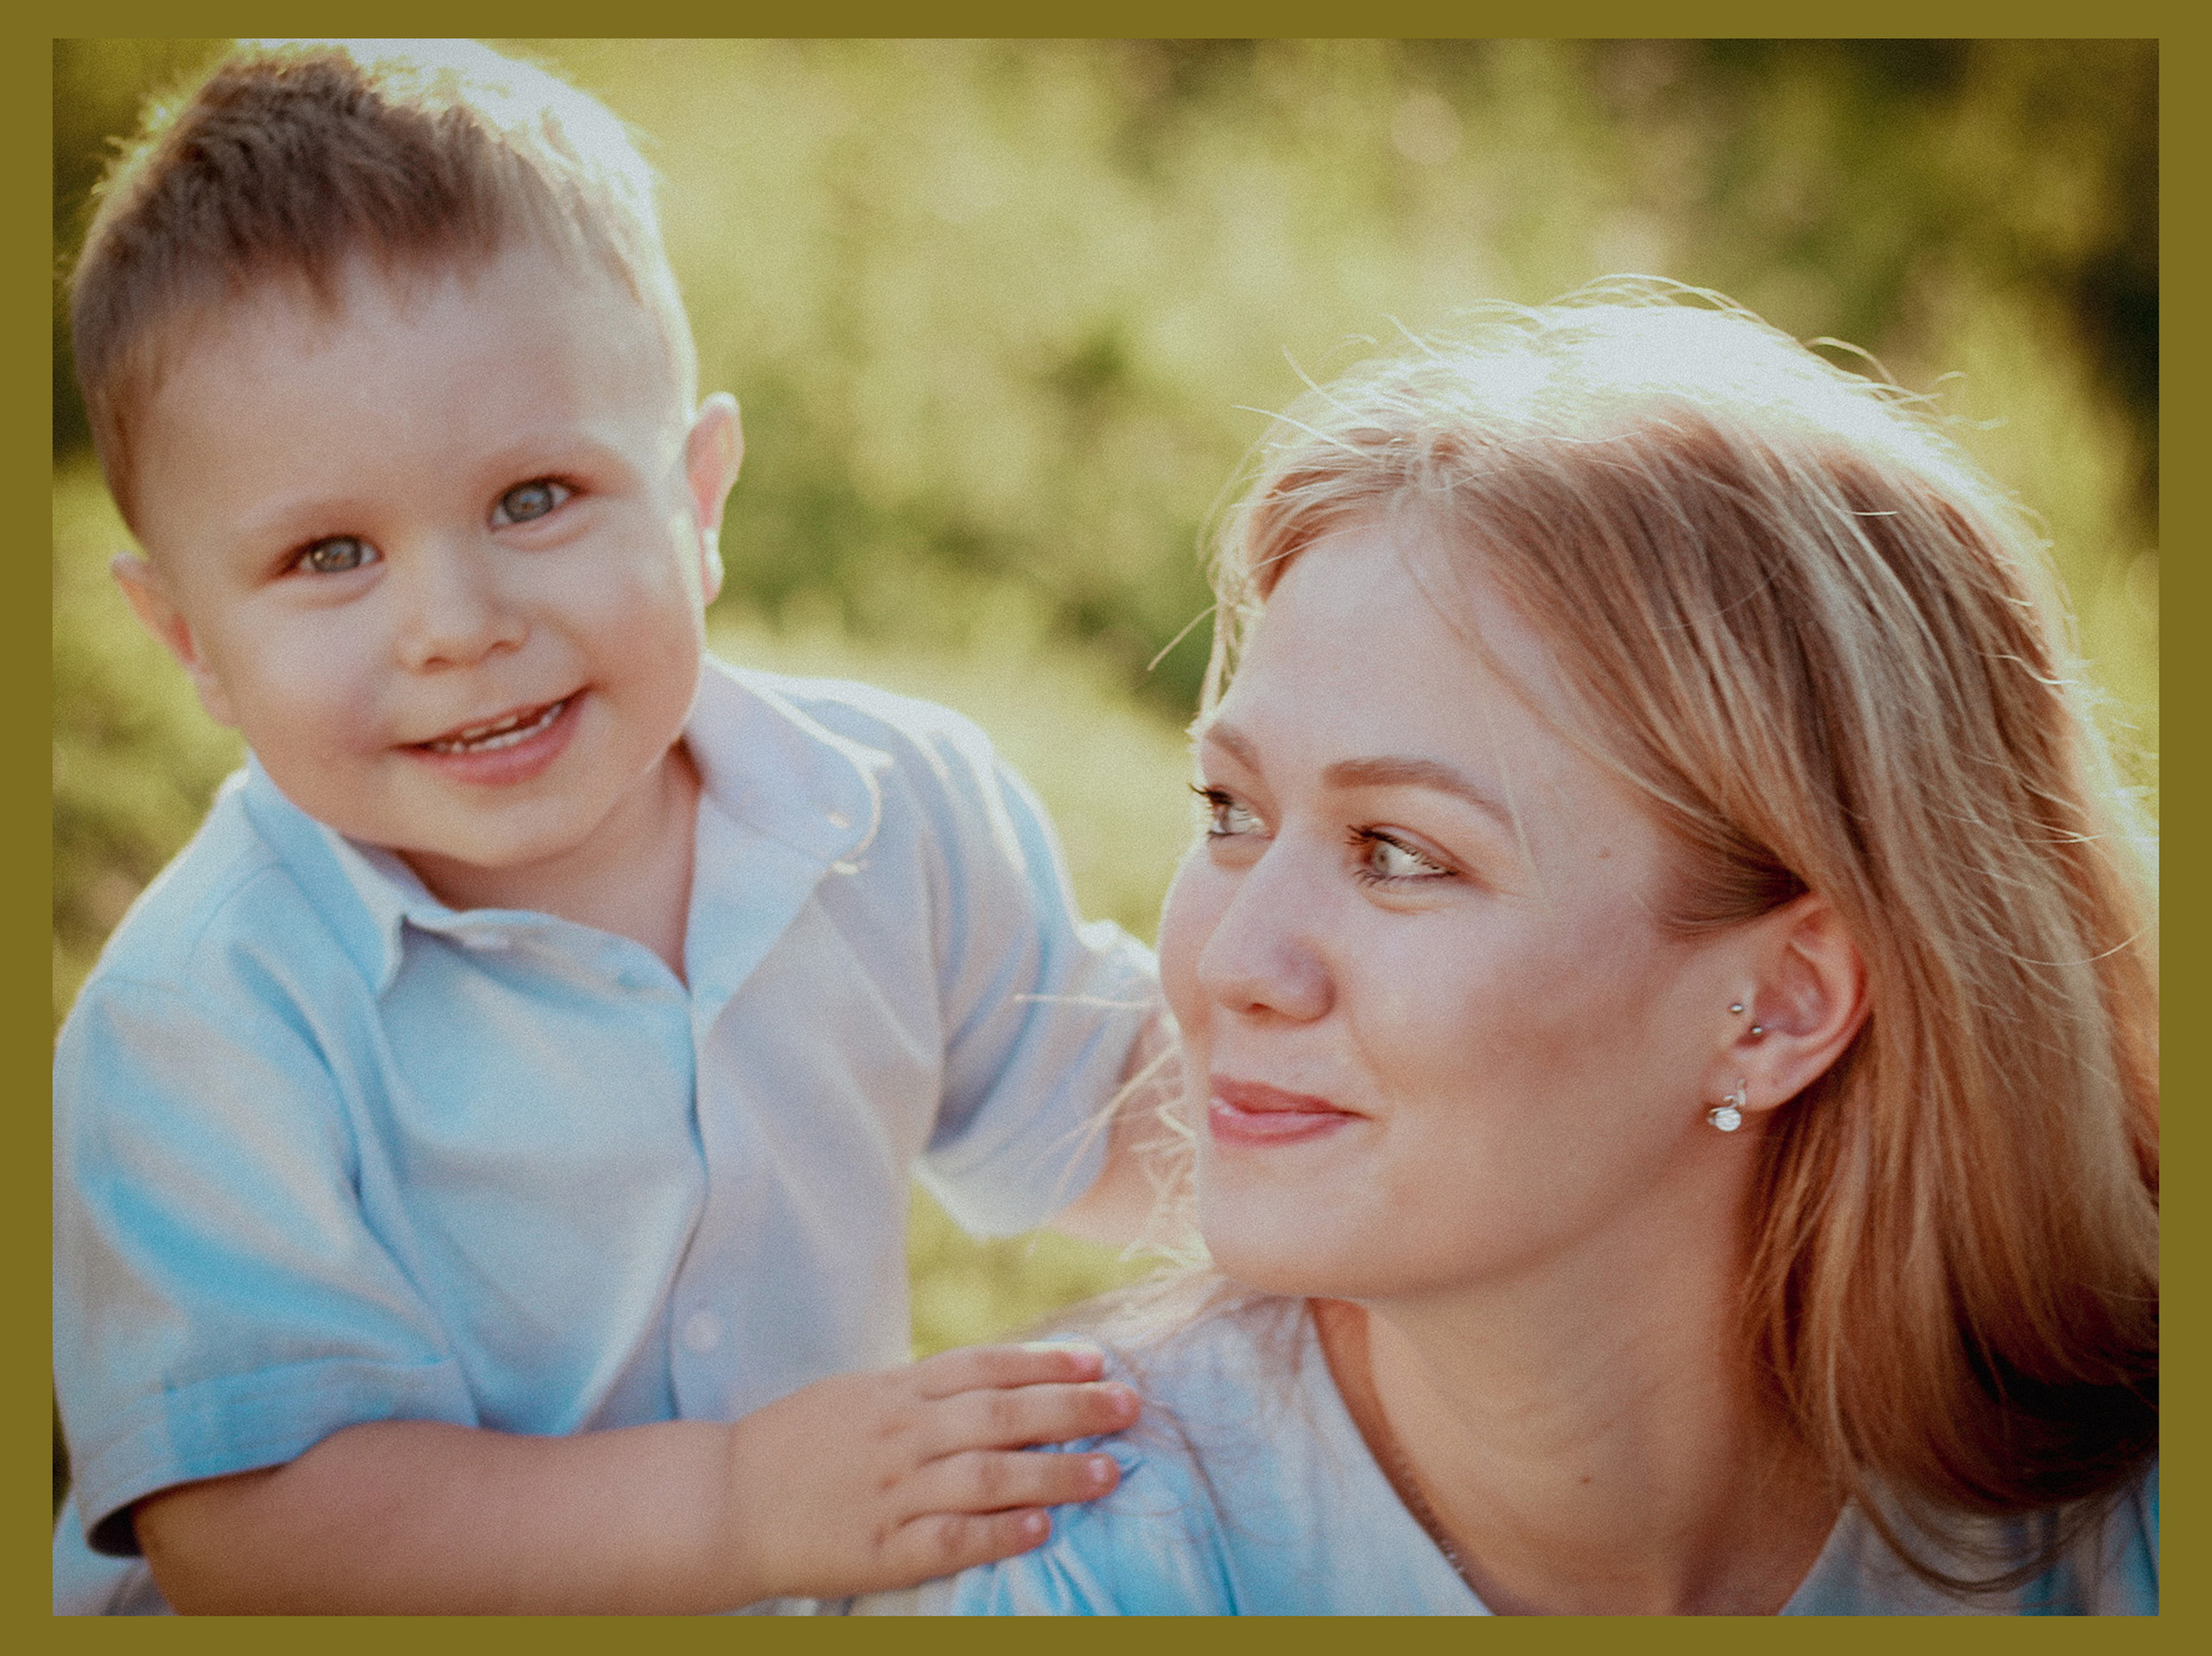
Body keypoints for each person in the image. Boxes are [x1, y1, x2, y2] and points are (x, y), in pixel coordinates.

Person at [53, 40, 1172, 1615]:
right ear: (188, 645)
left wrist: (1403, 1146)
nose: (454, 623)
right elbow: (255, 1534)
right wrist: (737, 1504)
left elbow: (1107, 1108)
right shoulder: (209, 1021)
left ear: (700, 498)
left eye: (532, 501)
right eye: (328, 555)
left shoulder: (889, 810)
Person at [884, 290, 2159, 1615]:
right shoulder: (1073, 1560)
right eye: (1234, 814)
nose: (1232, 962)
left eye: (1402, 852)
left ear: (1778, 1006)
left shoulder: (2134, 1522)